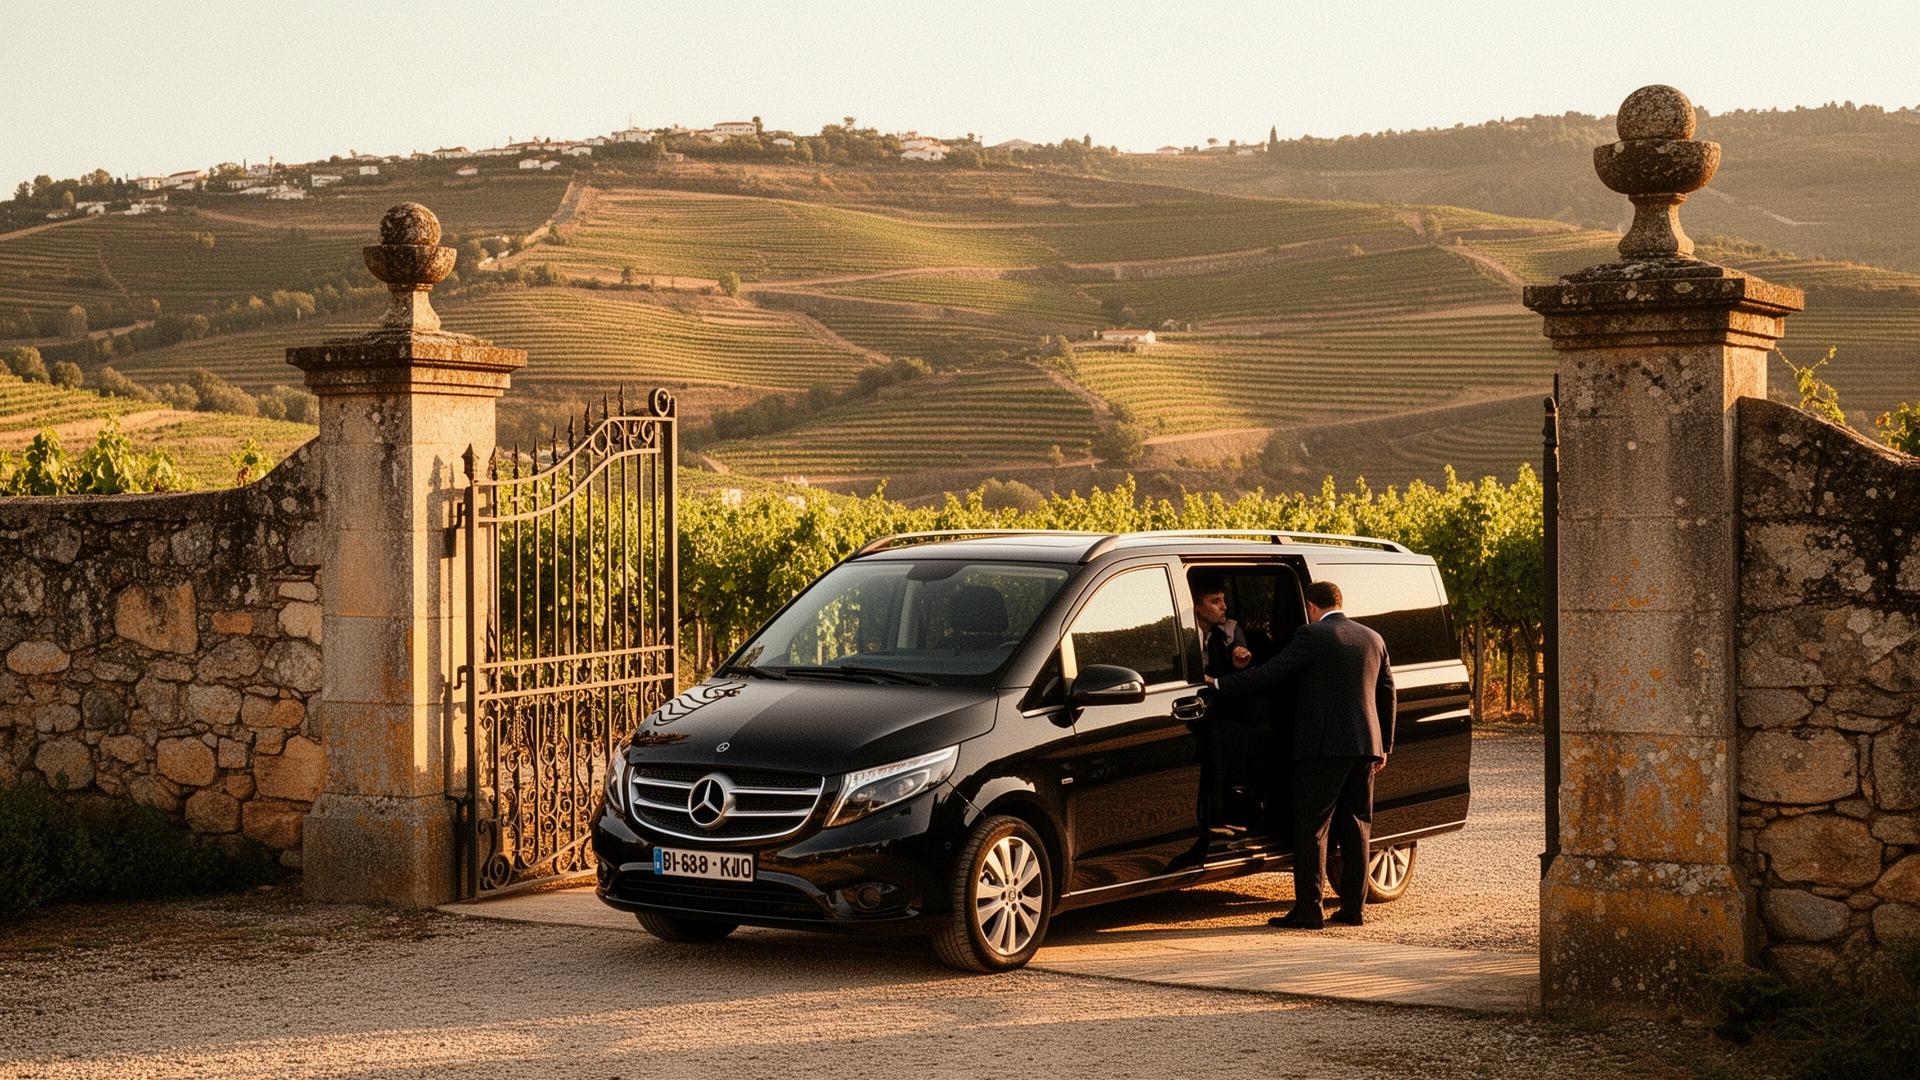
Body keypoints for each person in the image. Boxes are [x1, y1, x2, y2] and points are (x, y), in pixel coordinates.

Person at [1206, 580, 1394, 929]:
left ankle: (1309, 910)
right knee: (1357, 826)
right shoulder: (1372, 638)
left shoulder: (1312, 636)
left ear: (1311, 607)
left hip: (1322, 748)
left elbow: (1272, 673)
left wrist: (1219, 684)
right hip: (1365, 746)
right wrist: (1384, 745)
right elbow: (1387, 693)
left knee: (1313, 827)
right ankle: (1354, 909)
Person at [1190, 573, 1252, 836]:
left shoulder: (1228, 630)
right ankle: (1211, 818)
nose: (1224, 607)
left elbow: (1240, 654)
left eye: (1224, 600)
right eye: (1216, 601)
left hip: (1218, 706)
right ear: (1196, 606)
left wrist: (1240, 658)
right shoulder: (1182, 630)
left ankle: (1222, 816)